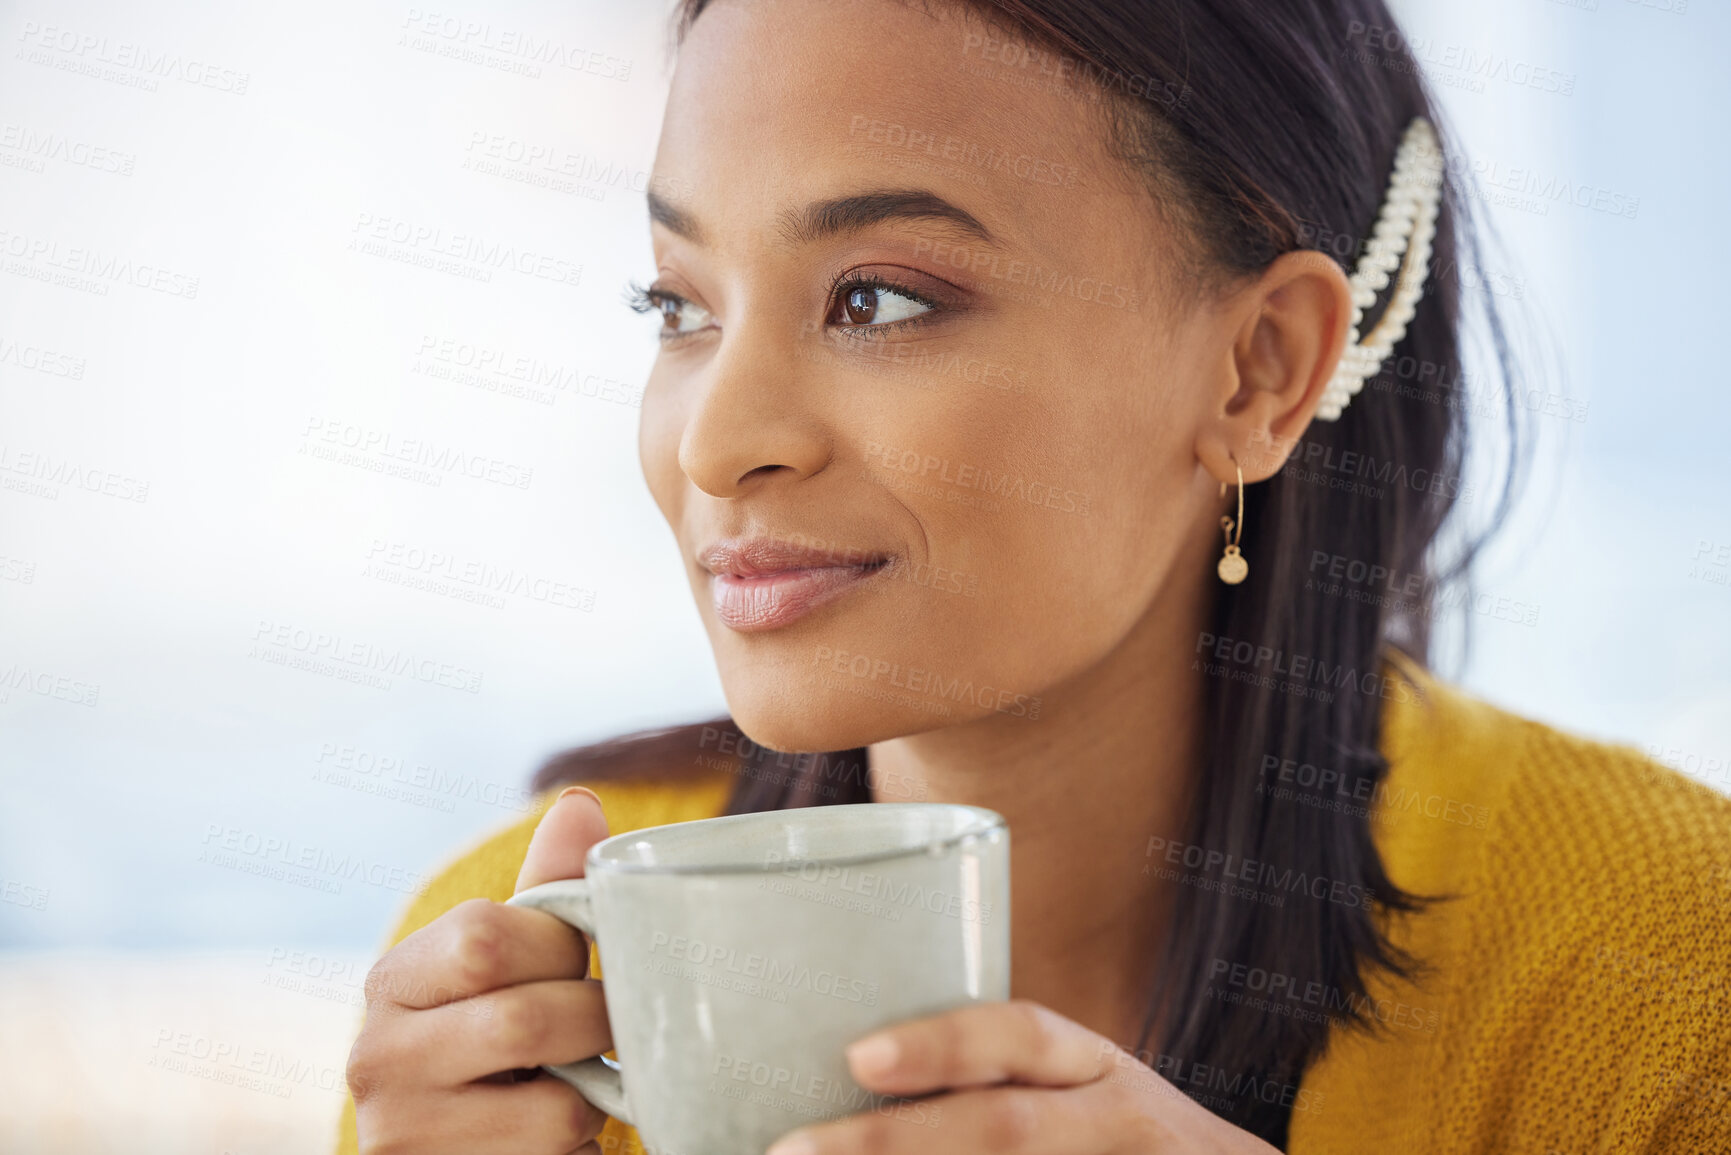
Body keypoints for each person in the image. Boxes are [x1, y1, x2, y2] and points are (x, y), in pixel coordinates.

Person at [335, 1, 1731, 1152]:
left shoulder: (1666, 976)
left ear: (1261, 368)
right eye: (680, 304)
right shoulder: (518, 1002)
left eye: (879, 298)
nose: (717, 439)